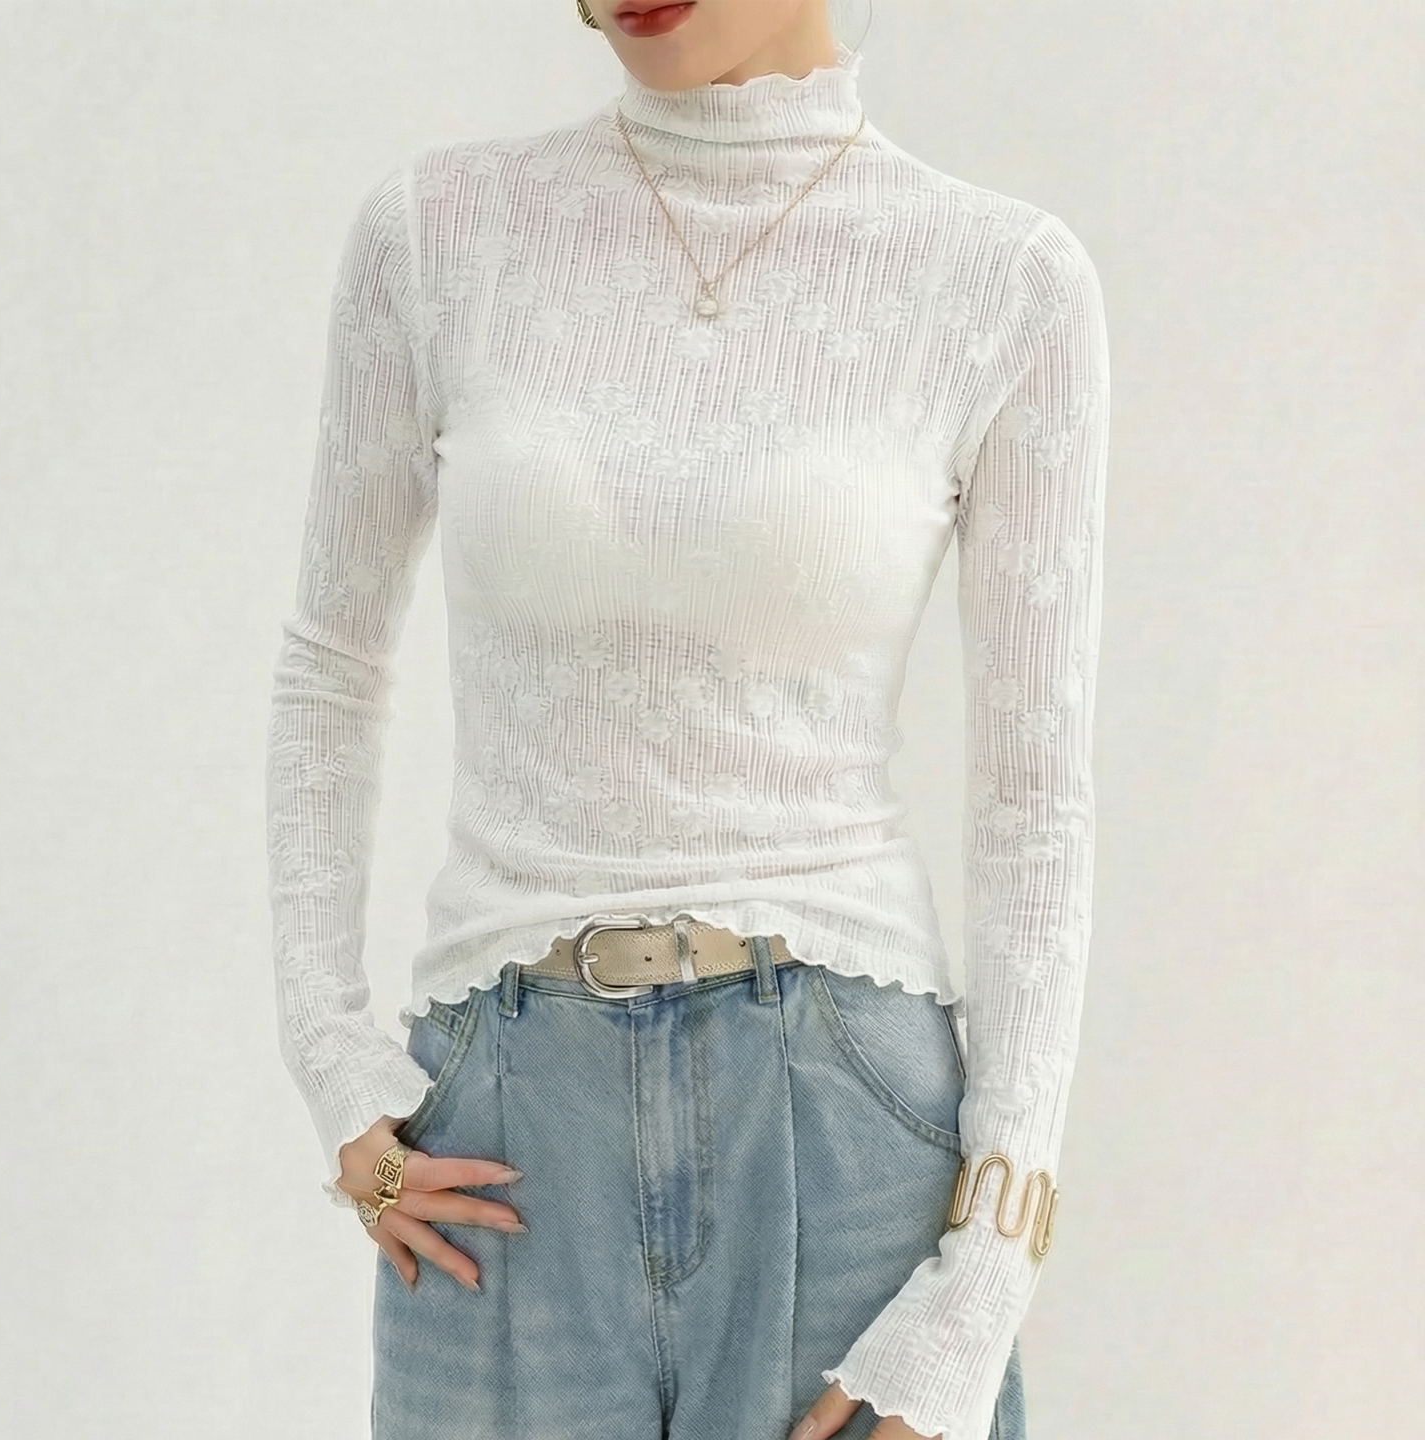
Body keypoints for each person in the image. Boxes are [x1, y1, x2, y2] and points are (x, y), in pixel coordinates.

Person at [264, 0, 1109, 1436]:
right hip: (501, 1139)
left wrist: (985, 1280)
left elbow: (1037, 798)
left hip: (848, 1134)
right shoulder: (440, 234)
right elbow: (330, 664)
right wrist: (331, 1060)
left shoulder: (1002, 278)